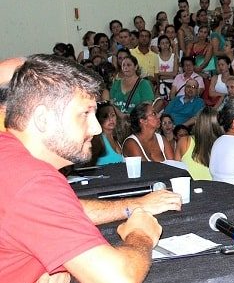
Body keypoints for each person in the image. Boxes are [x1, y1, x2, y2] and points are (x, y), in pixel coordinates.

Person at [0, 54, 163, 282]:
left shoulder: (10, 155)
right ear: (43, 119)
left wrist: (134, 205)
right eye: (85, 114)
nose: (96, 128)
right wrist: (140, 234)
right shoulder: (31, 180)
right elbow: (118, 278)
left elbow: (59, 209)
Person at [176, 107, 223, 181]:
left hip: (191, 189)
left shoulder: (184, 141)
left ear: (197, 122)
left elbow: (176, 172)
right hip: (216, 189)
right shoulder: (223, 144)